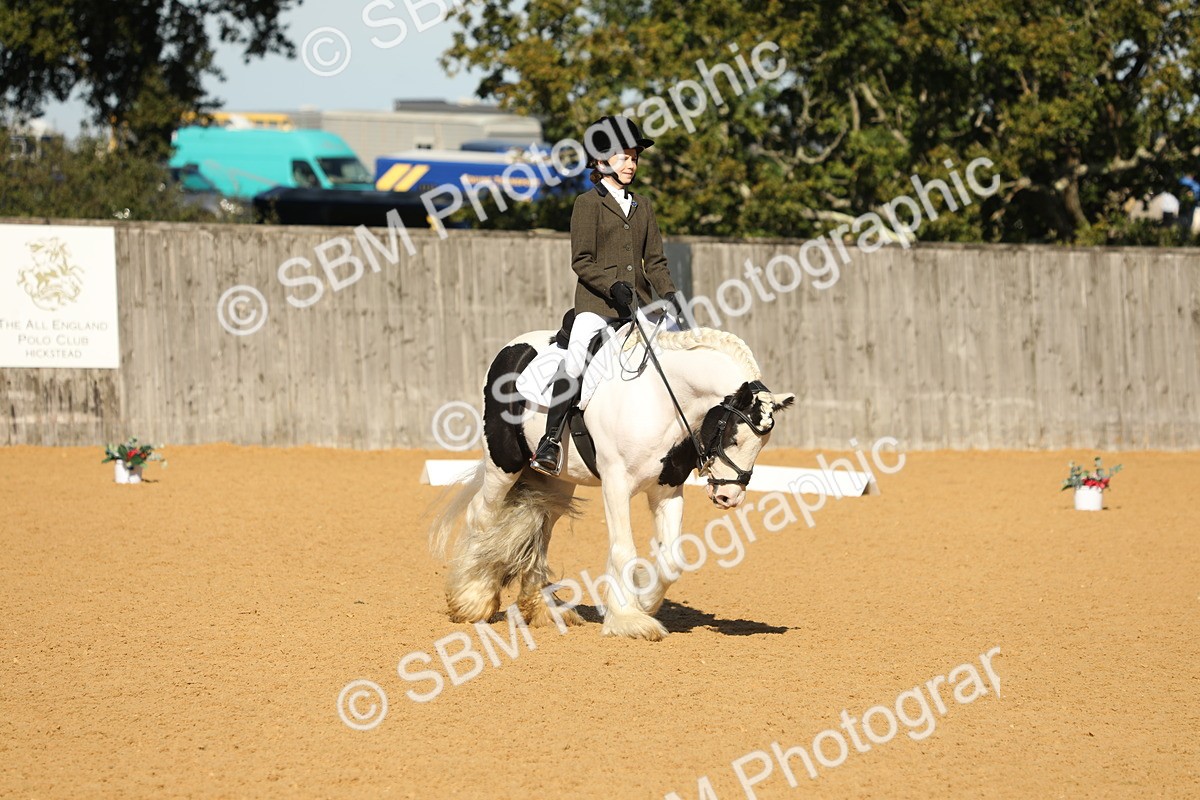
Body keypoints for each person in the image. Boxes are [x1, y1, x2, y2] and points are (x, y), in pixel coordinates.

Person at [529, 115, 683, 476]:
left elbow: (656, 261)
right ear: (601, 161)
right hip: (597, 304)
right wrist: (611, 285)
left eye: (634, 157)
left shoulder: (643, 205)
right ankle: (550, 440)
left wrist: (670, 293)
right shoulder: (587, 203)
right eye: (623, 157)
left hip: (639, 304)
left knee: (675, 353)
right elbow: (581, 261)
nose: (631, 164)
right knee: (578, 352)